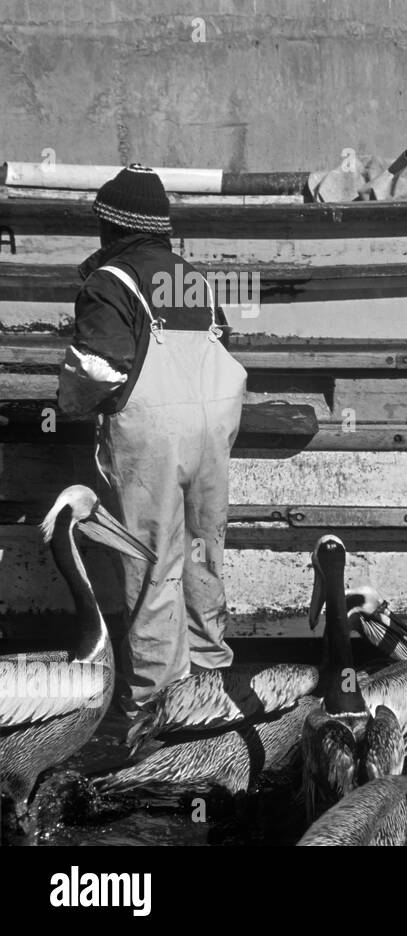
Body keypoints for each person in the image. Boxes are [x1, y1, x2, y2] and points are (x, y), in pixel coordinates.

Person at [57, 164, 247, 714]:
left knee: (152, 560)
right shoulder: (196, 279)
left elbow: (98, 369)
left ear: (112, 226)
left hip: (153, 437)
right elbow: (224, 349)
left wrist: (67, 402)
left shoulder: (111, 282)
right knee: (202, 553)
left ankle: (157, 701)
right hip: (212, 430)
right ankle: (210, 686)